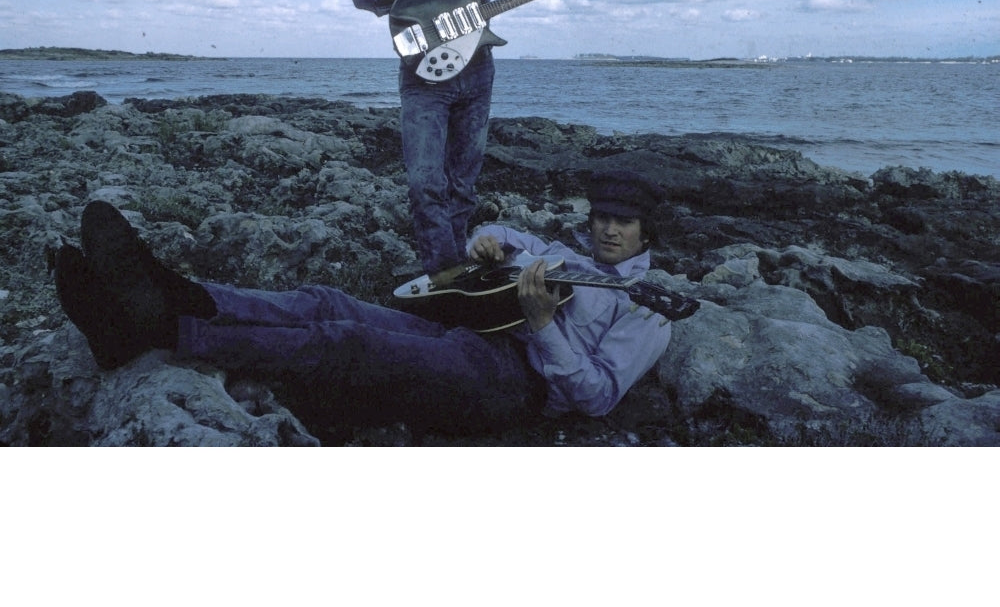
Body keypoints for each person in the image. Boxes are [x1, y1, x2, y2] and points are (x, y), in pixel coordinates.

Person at [52, 170, 687, 438]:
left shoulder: (646, 309)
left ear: (646, 234)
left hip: (514, 384)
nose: (609, 231)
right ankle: (174, 291)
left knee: (345, 343)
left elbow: (598, 396)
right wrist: (487, 239)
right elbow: (509, 243)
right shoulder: (569, 251)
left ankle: (157, 328)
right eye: (603, 218)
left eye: (624, 225)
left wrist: (546, 327)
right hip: (474, 329)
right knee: (324, 299)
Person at [347, 0, 495, 276]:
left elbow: (478, 15)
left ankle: (453, 272)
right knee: (425, 182)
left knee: (464, 185)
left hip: (476, 72)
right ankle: (443, 272)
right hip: (422, 74)